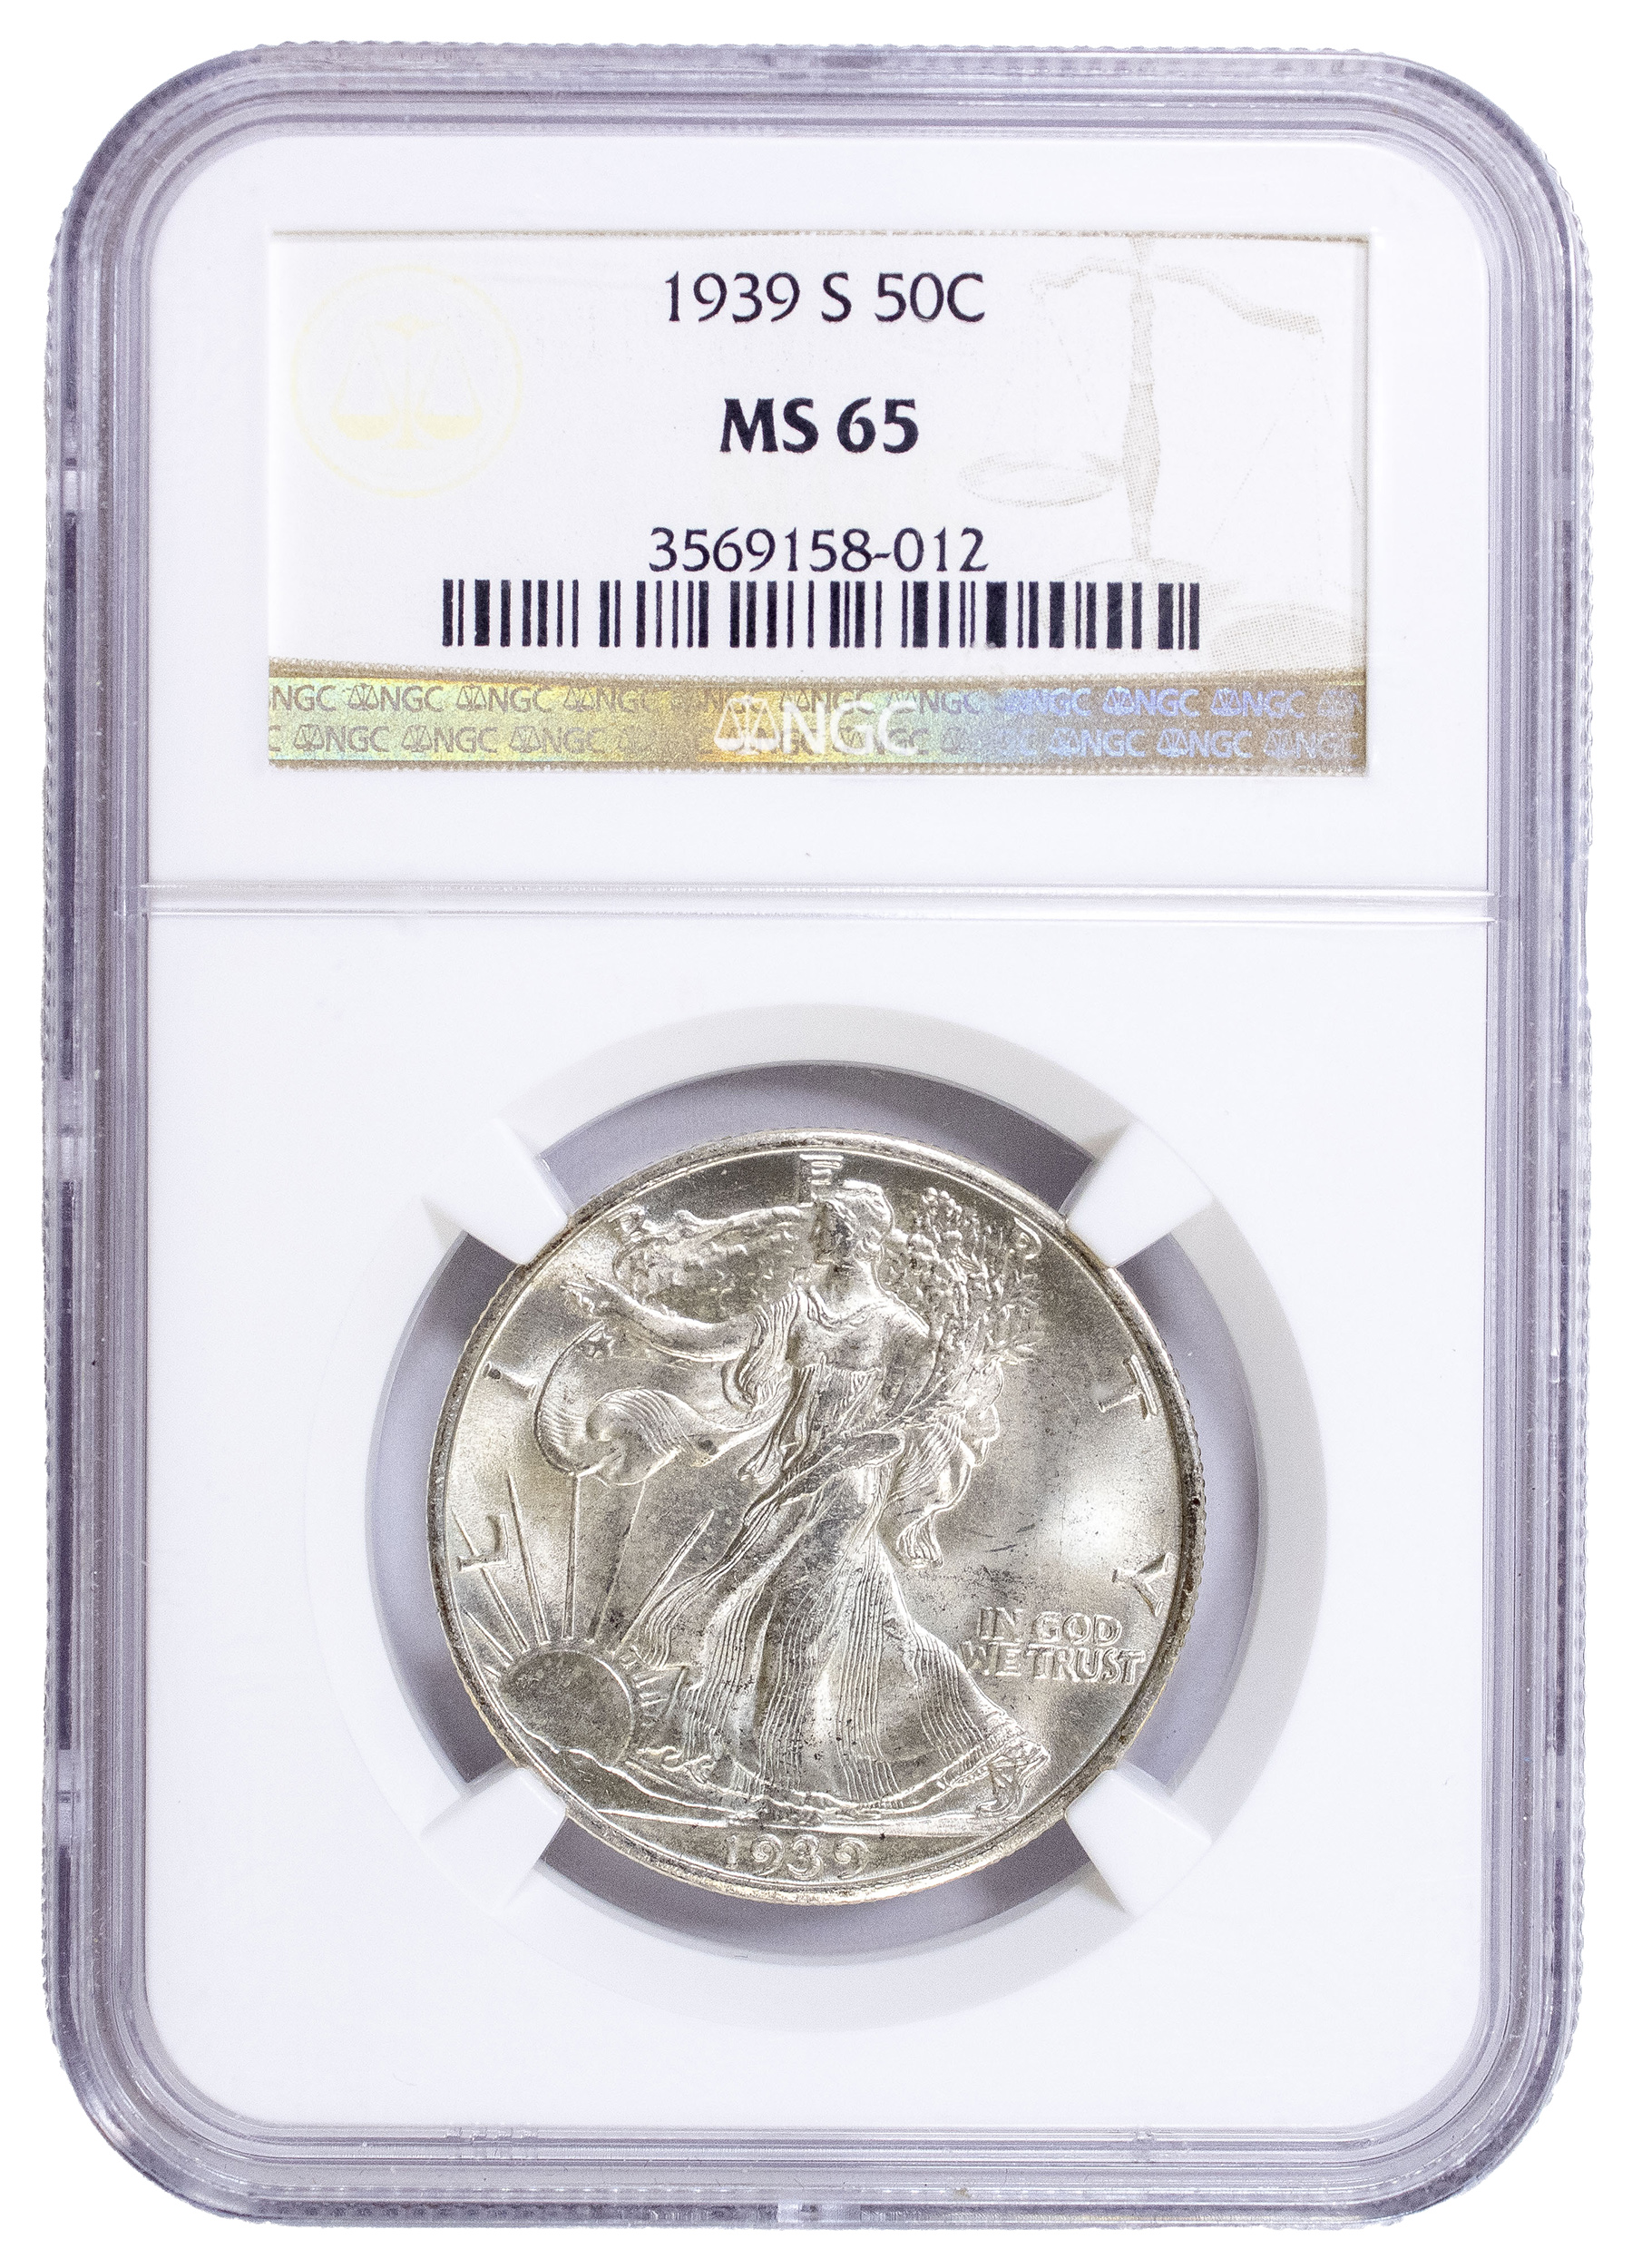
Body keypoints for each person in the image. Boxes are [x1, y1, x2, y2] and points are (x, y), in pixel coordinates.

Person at [576, 1178, 1048, 1823]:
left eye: (828, 1223)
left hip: (847, 1489)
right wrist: (624, 1309)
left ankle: (783, 1781)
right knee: (866, 1626)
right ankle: (992, 1747)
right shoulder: (797, 1305)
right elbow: (710, 1339)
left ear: (857, 1237)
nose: (817, 1232)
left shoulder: (901, 1329)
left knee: (785, 1629)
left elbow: (913, 1424)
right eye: (821, 1222)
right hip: (796, 1479)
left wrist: (857, 1463)